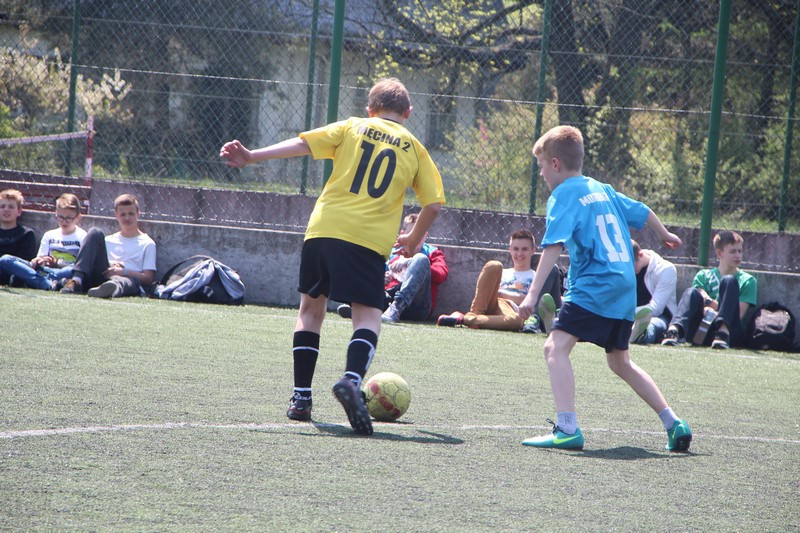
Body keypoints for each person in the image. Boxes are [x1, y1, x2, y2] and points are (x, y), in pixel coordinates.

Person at [219, 77, 445, 435]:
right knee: (368, 315)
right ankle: (352, 380)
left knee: (310, 312)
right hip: (368, 240)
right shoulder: (415, 149)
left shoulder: (352, 126)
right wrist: (414, 239)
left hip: (322, 230)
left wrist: (252, 156)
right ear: (408, 113)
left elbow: (303, 144)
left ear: (370, 110)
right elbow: (432, 204)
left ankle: (301, 398)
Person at [517, 125, 692, 452]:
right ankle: (674, 423)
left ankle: (567, 429)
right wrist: (664, 234)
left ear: (555, 164)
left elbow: (553, 246)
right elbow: (642, 210)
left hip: (594, 284)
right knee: (620, 362)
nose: (541, 174)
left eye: (541, 166)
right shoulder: (602, 189)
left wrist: (531, 293)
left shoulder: (563, 195)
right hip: (624, 287)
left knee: (555, 348)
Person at [436, 228, 562, 332]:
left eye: (524, 249)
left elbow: (531, 301)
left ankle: (465, 319)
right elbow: (485, 293)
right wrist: (502, 296)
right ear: (510, 250)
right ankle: (475, 314)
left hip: (511, 311)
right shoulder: (502, 272)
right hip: (492, 304)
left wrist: (502, 294)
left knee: (516, 321)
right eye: (516, 249)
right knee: (494, 265)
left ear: (533, 251)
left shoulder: (537, 276)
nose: (519, 254)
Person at [338, 212, 448, 323]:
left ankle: (396, 308)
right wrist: (382, 279)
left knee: (421, 259)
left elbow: (441, 275)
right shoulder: (393, 252)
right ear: (403, 234)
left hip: (416, 306)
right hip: (388, 301)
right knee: (366, 262)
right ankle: (362, 306)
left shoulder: (433, 253)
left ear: (425, 236)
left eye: (419, 234)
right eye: (411, 234)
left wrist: (409, 263)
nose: (415, 239)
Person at [661, 230, 757, 350]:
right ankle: (673, 331)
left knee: (729, 280)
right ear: (719, 253)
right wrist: (711, 308)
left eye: (740, 251)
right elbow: (698, 296)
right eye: (732, 251)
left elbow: (738, 314)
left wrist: (710, 304)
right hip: (702, 326)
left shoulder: (748, 281)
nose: (738, 255)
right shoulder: (703, 276)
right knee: (691, 292)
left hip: (730, 332)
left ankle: (722, 334)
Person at [60, 193, 157, 298]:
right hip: (103, 276)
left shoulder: (147, 243)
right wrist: (111, 265)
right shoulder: (107, 240)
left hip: (127, 279)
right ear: (116, 215)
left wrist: (123, 271)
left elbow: (148, 279)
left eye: (131, 214)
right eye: (123, 214)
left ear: (138, 214)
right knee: (95, 232)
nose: (127, 218)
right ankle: (76, 281)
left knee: (127, 281)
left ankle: (111, 288)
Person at [0, 193, 87, 290]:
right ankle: (49, 284)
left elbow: (80, 267)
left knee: (72, 271)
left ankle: (42, 283)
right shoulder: (49, 235)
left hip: (65, 271)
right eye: (60, 217)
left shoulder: (83, 236)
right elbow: (39, 260)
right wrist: (38, 261)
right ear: (56, 214)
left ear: (78, 217)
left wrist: (56, 262)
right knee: (5, 260)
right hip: (44, 271)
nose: (64, 221)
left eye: (69, 218)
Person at [628, 239, 678, 344]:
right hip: (629, 315)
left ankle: (641, 335)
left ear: (640, 254)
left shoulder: (665, 269)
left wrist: (626, 313)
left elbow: (656, 309)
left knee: (651, 325)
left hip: (659, 317)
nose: (630, 270)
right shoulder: (623, 270)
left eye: (632, 266)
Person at [0, 189, 37, 286]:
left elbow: (24, 261)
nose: (6, 209)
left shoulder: (26, 234)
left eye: (11, 207)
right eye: (2, 206)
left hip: (12, 271)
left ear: (19, 212)